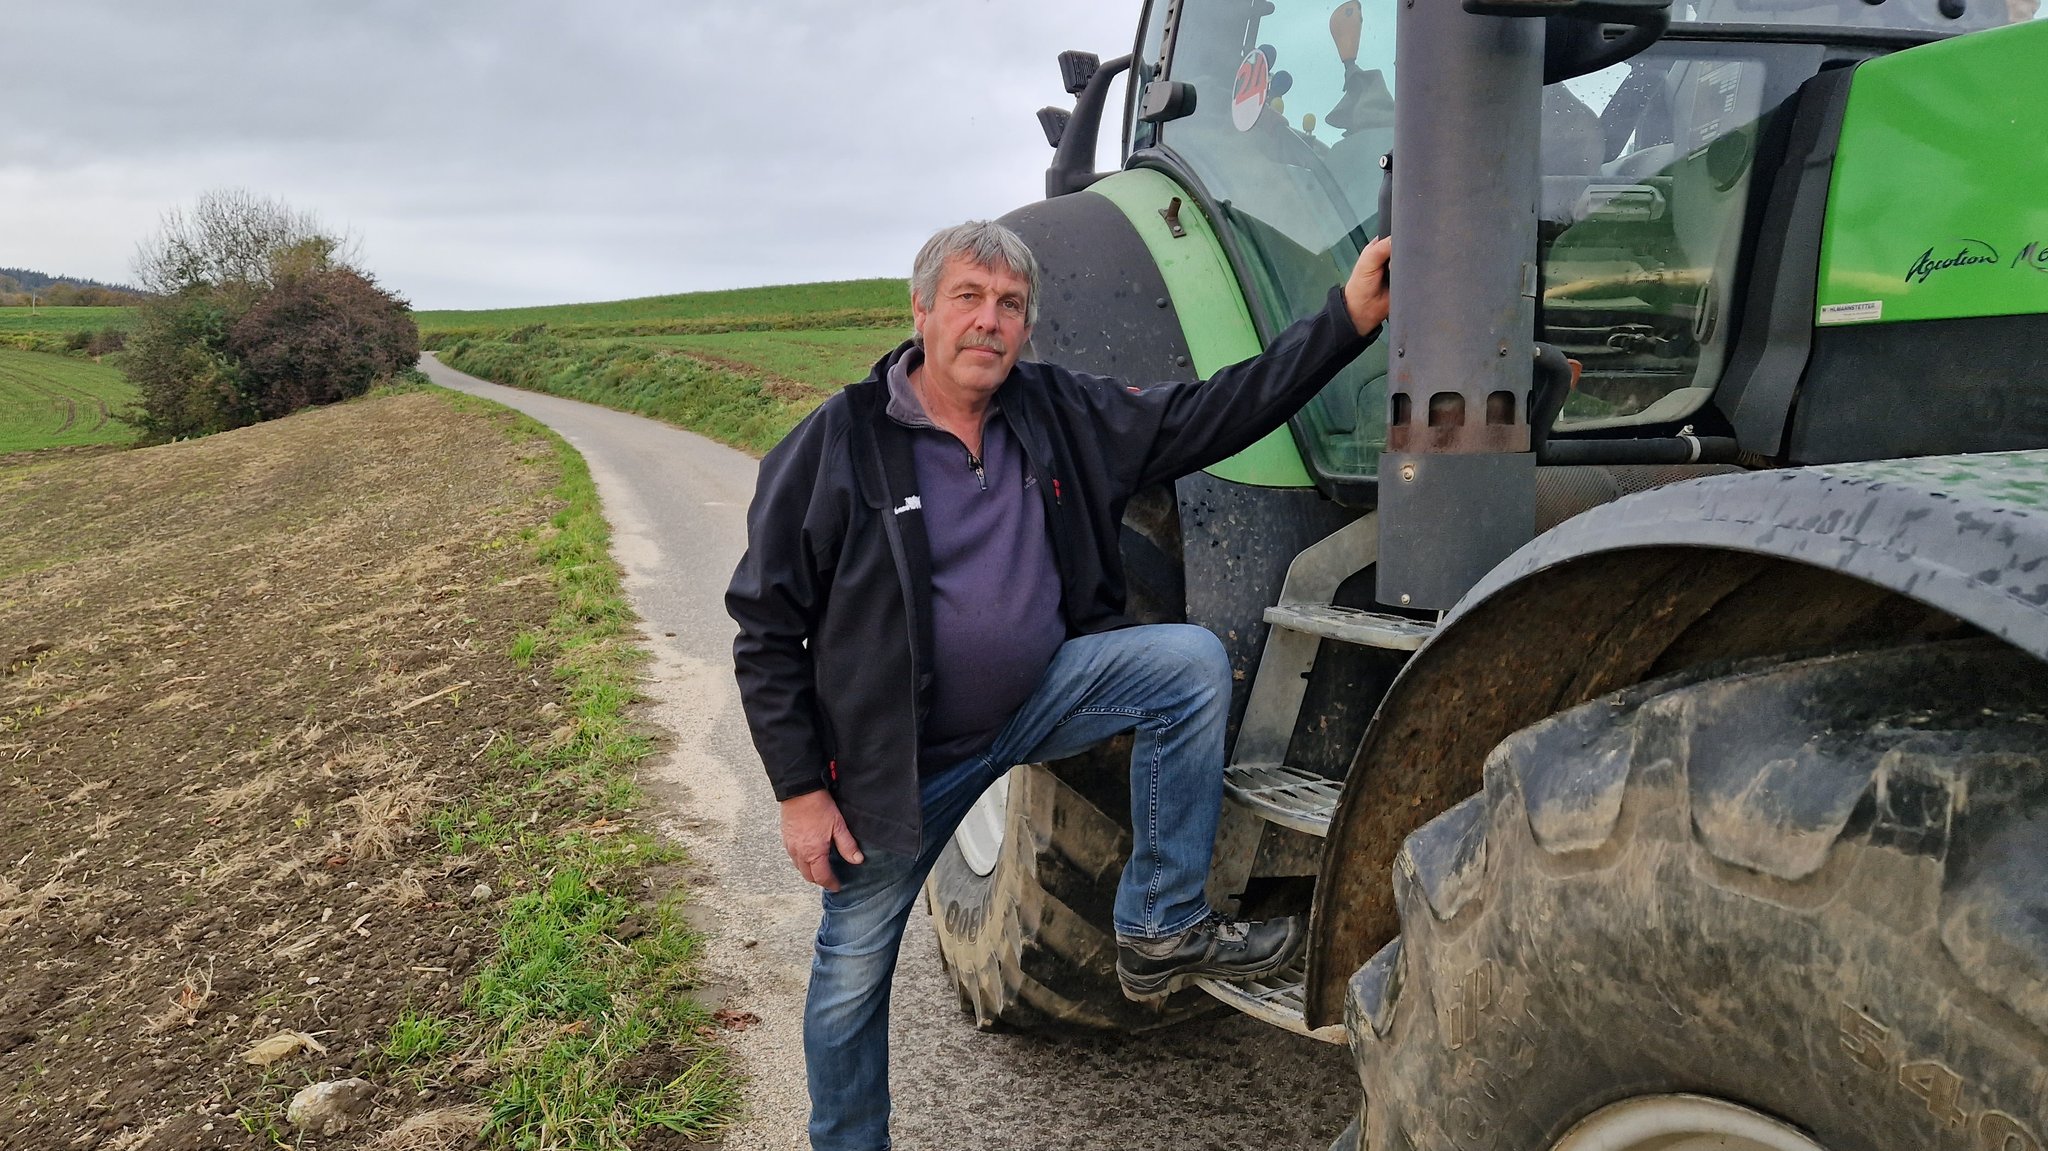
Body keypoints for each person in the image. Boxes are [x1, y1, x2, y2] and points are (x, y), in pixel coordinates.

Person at [726, 219, 1391, 1151]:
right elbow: (764, 629)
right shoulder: (836, 444)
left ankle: (1161, 921)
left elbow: (1211, 413)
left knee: (1188, 664)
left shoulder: (1054, 412)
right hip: (902, 756)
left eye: (1010, 305)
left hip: (1038, 697)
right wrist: (801, 792)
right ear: (920, 310)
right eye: (968, 298)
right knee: (852, 969)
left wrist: (1346, 319)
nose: (989, 322)